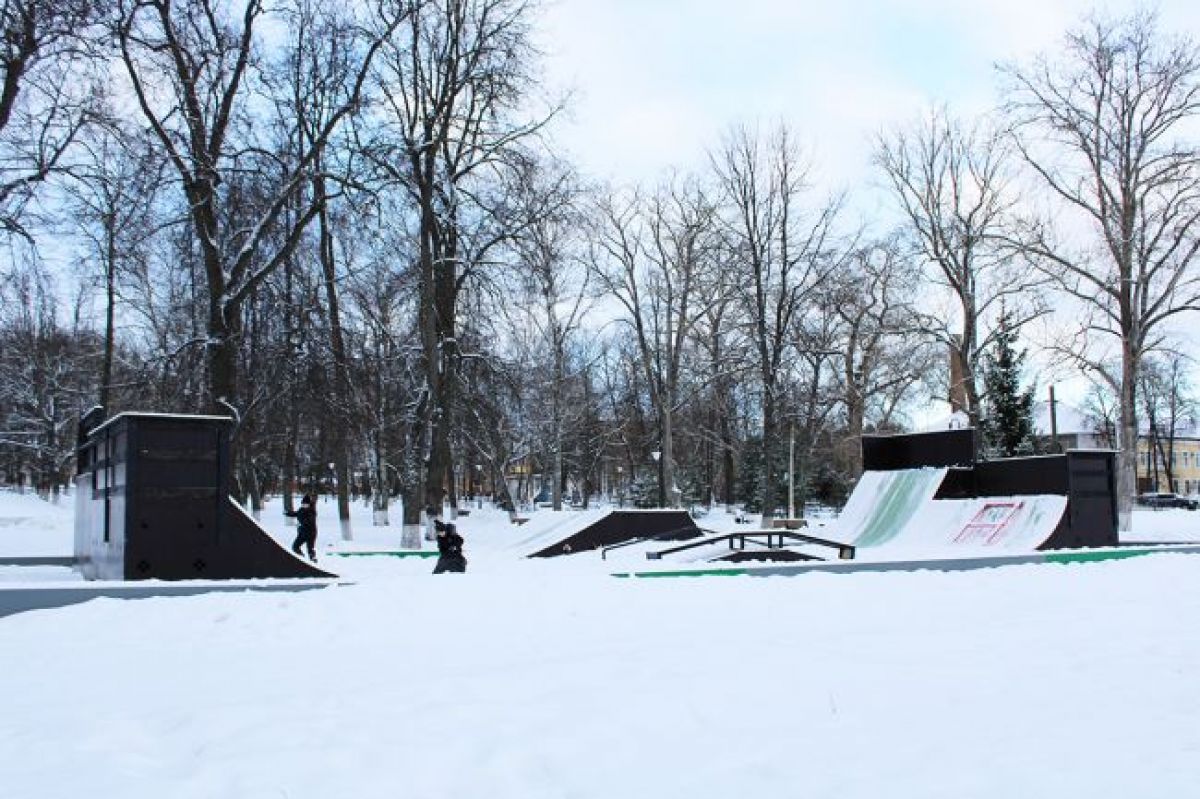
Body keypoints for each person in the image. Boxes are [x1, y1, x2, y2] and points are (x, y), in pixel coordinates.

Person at [284, 494, 318, 561]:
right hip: (302, 533)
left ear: (309, 504)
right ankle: (301, 559)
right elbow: (296, 513)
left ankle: (313, 561)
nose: (303, 506)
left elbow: (309, 520)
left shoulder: (311, 511)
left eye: (305, 504)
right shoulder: (301, 509)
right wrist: (288, 513)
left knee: (310, 549)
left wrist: (301, 523)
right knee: (295, 547)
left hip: (310, 533)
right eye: (302, 504)